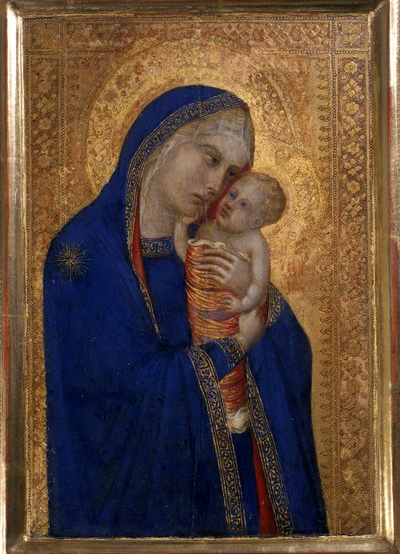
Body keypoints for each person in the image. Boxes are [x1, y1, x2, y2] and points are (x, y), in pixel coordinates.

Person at [44, 85, 328, 538]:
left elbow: (290, 348)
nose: (218, 185)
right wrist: (235, 347)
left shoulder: (209, 248)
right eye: (211, 158)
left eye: (231, 173)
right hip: (151, 502)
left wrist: (251, 290)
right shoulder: (87, 251)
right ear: (162, 141)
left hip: (236, 490)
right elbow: (122, 392)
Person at [175, 172, 286, 435]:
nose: (230, 203)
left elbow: (259, 286)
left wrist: (244, 304)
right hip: (199, 312)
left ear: (256, 221)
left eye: (243, 204)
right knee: (204, 356)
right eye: (233, 194)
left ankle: (232, 409)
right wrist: (179, 228)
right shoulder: (208, 229)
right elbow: (189, 258)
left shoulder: (255, 243)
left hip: (229, 317)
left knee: (230, 369)